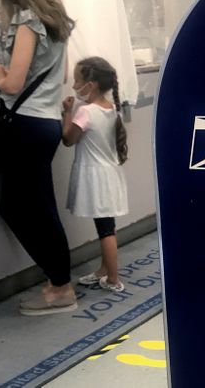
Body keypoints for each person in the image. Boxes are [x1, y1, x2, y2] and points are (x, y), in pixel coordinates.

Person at [0, 0, 77, 316]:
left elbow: (13, 83)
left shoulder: (27, 20)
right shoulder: (56, 17)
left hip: (25, 125)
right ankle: (59, 281)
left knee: (18, 208)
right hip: (46, 123)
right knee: (41, 207)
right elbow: (65, 74)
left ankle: (61, 285)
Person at [62, 57, 130, 292]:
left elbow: (68, 140)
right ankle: (104, 269)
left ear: (89, 85)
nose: (73, 86)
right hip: (108, 175)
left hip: (95, 178)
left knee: (105, 229)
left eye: (77, 81)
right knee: (106, 225)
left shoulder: (86, 112)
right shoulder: (112, 110)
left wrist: (67, 113)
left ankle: (113, 278)